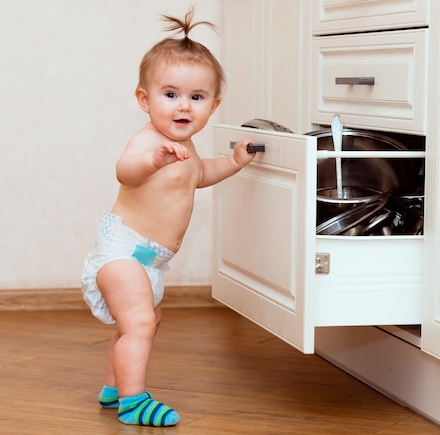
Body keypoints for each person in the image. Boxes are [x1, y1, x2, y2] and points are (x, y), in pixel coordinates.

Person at [81, 7, 257, 427]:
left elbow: (198, 176)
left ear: (212, 106)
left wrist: (232, 163)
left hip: (150, 259)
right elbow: (125, 172)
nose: (184, 106)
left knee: (140, 324)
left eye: (196, 98)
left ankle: (113, 387)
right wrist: (153, 162)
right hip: (120, 252)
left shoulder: (189, 149)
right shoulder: (147, 143)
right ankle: (133, 401)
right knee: (139, 320)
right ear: (145, 99)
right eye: (171, 94)